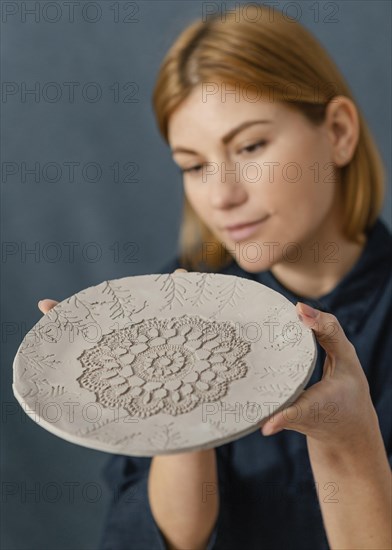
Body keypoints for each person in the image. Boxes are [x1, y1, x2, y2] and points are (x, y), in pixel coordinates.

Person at [38, 4, 392, 549]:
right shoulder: (178, 306)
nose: (222, 196)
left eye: (250, 147)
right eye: (194, 165)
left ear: (339, 133)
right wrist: (162, 392)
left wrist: (349, 440)